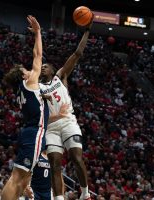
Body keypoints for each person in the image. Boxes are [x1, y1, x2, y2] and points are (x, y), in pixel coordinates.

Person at [40, 20, 93, 200]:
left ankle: (85, 194)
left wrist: (86, 32)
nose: (43, 68)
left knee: (76, 158)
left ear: (53, 69)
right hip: (51, 127)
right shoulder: (37, 87)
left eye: (45, 66)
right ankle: (59, 198)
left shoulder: (60, 77)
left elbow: (77, 53)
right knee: (54, 164)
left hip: (68, 121)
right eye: (41, 66)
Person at [0, 15, 49, 200]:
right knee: (17, 178)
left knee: (24, 177)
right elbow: (38, 56)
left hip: (31, 132)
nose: (30, 71)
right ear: (23, 77)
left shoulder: (23, 90)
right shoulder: (29, 82)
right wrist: (37, 32)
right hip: (35, 131)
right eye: (26, 71)